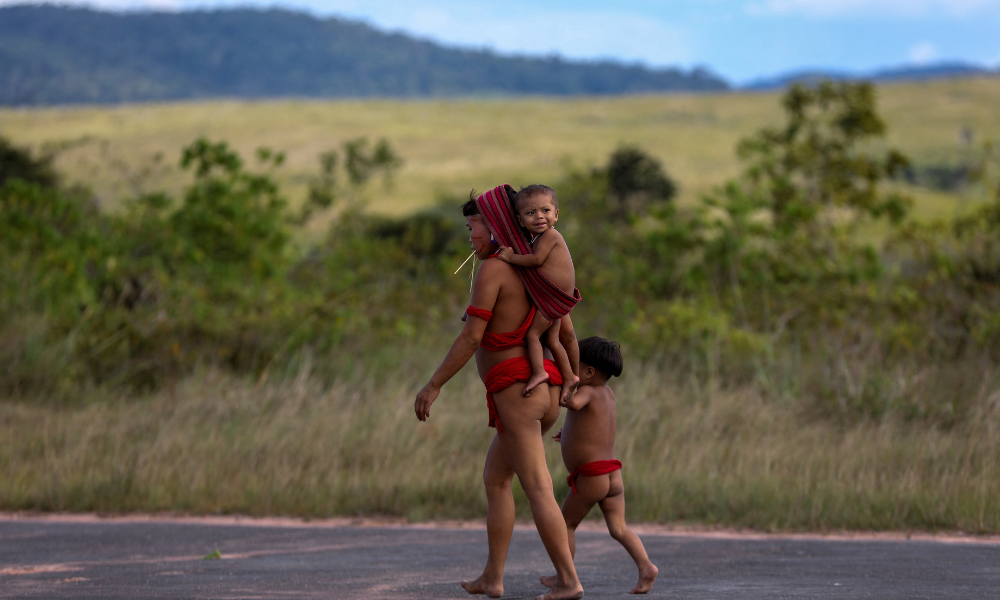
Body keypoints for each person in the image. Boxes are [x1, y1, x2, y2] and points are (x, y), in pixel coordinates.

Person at [414, 186, 584, 600]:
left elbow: (472, 338)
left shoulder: (494, 269)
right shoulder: (533, 269)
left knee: (538, 486)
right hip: (543, 386)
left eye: (472, 226)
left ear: (494, 229)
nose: (469, 235)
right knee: (496, 479)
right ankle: (492, 577)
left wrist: (434, 383)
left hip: (516, 392)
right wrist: (571, 382)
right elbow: (565, 330)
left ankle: (569, 580)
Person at [541, 337, 658, 595]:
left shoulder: (586, 392)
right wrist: (569, 433)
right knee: (619, 528)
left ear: (589, 372)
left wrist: (560, 382)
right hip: (613, 475)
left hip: (592, 477)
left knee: (565, 525)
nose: (570, 370)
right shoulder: (607, 394)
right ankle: (646, 566)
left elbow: (571, 403)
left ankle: (565, 576)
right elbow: (596, 427)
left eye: (573, 365)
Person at [496, 185, 580, 404]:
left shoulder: (551, 235)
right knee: (552, 340)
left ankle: (539, 372)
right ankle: (570, 376)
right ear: (520, 220)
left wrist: (510, 258)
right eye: (531, 213)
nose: (539, 217)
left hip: (554, 298)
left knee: (533, 335)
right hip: (555, 297)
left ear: (556, 214)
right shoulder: (537, 239)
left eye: (545, 210)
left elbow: (535, 261)